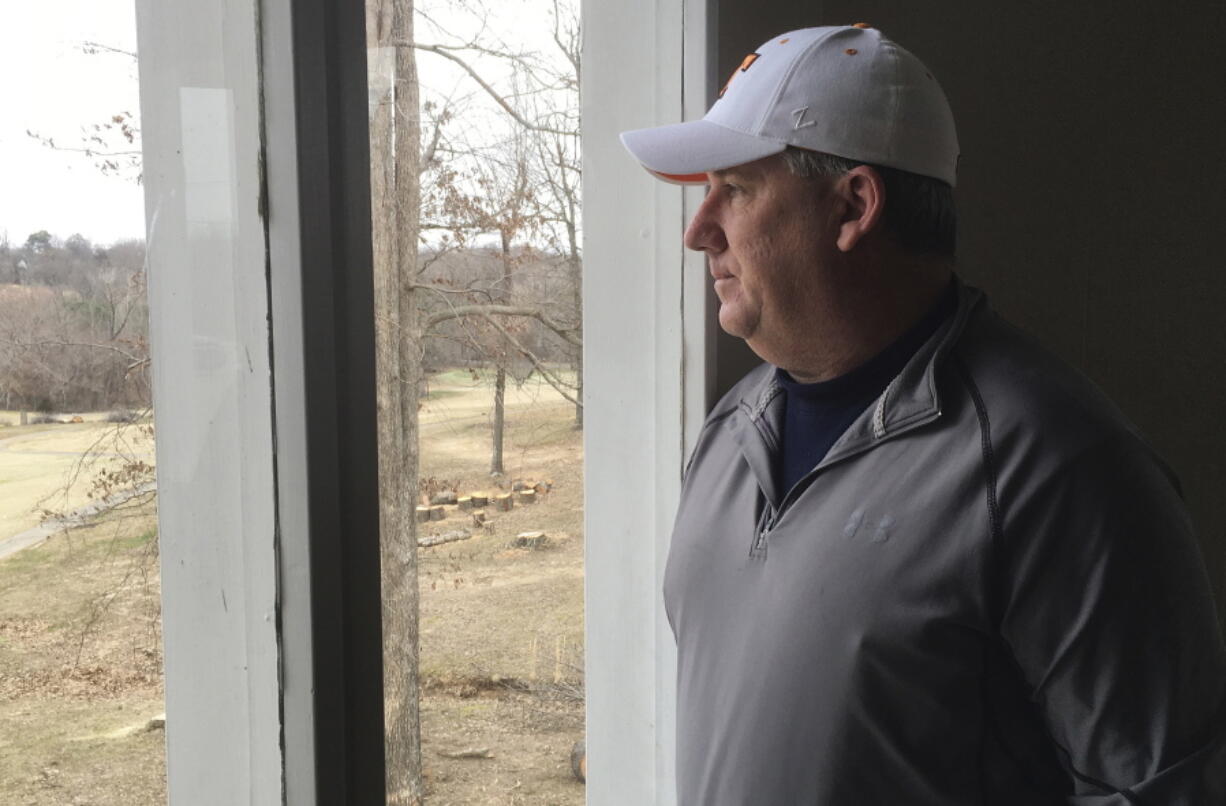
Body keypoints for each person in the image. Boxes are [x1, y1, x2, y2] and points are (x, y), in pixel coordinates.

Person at [620, 24, 1226, 806]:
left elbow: (1159, 790)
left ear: (854, 206)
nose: (699, 230)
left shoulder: (1057, 466)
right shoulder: (729, 433)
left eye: (735, 190)